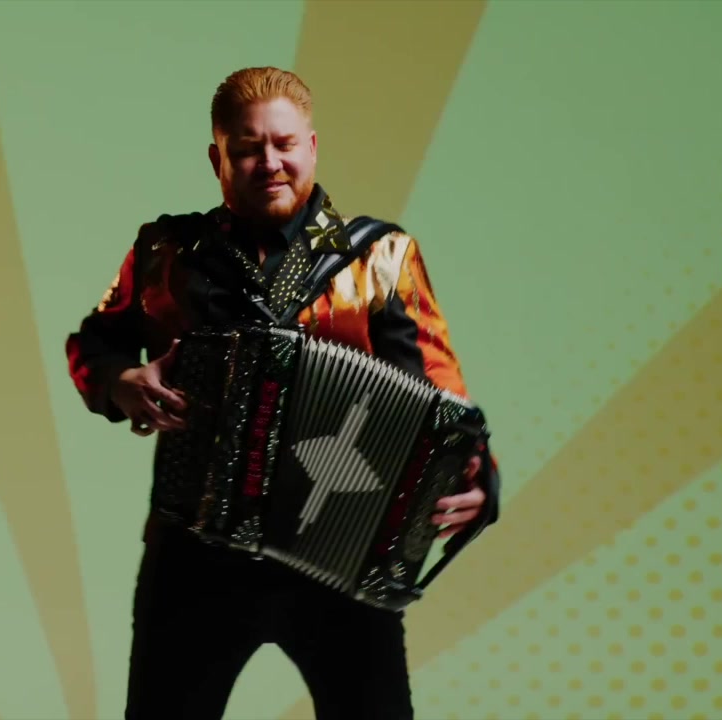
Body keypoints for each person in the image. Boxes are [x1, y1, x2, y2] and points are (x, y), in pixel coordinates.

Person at [65, 66, 500, 720]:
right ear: (217, 159)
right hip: (194, 552)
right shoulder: (167, 251)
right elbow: (96, 342)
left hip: (343, 558)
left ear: (312, 147)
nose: (269, 162)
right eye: (247, 148)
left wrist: (477, 474)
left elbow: (441, 398)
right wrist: (121, 381)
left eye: (285, 144)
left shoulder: (381, 256)